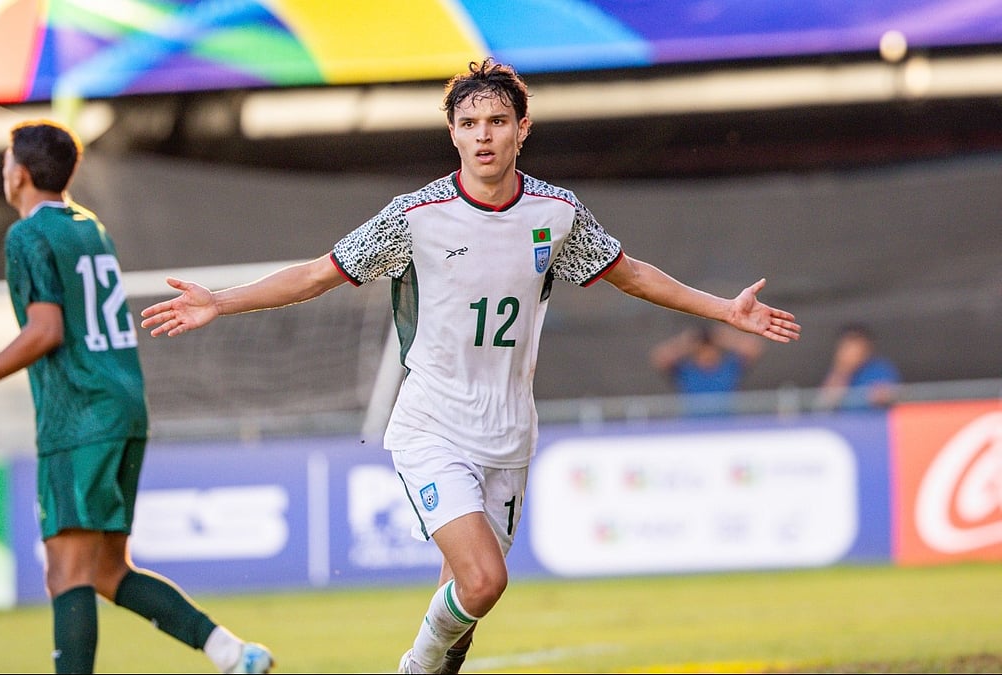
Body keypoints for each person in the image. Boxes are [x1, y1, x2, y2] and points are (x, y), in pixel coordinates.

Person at [139, 58, 800, 674]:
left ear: (523, 129)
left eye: (497, 121)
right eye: (469, 123)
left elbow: (629, 273)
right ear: (452, 133)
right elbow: (318, 274)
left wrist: (724, 309)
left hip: (510, 434)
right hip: (432, 425)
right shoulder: (414, 217)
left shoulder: (557, 213)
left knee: (463, 609)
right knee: (483, 581)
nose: (483, 135)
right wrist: (219, 301)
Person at [0, 119, 273, 675]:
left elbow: (45, 331)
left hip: (79, 414)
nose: (4, 170)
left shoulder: (26, 235)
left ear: (20, 174)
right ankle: (232, 653)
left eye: (6, 161)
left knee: (67, 574)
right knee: (106, 570)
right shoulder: (90, 227)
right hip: (124, 403)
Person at [649, 322, 765, 416]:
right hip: (694, 424)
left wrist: (723, 336)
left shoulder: (729, 367)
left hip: (726, 423)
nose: (707, 355)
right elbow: (660, 357)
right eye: (702, 351)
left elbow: (754, 347)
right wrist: (686, 342)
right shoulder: (686, 370)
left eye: (711, 350)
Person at [816, 322, 900, 410]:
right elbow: (823, 406)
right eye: (847, 345)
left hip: (871, 417)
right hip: (845, 418)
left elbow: (886, 397)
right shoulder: (838, 372)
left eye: (855, 343)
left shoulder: (880, 368)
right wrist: (843, 369)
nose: (851, 350)